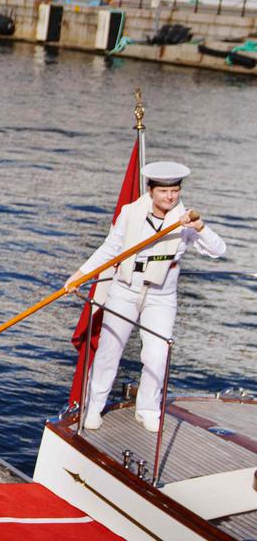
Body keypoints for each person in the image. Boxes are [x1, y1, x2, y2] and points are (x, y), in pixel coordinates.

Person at [65, 161, 226, 433]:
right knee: (109, 351)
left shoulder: (185, 219)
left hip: (161, 294)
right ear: (151, 190)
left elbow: (218, 249)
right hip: (125, 288)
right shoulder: (130, 213)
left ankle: (148, 409)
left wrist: (200, 226)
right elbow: (110, 249)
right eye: (164, 191)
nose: (170, 196)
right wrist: (79, 274)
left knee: (157, 354)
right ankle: (93, 407)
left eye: (175, 191)